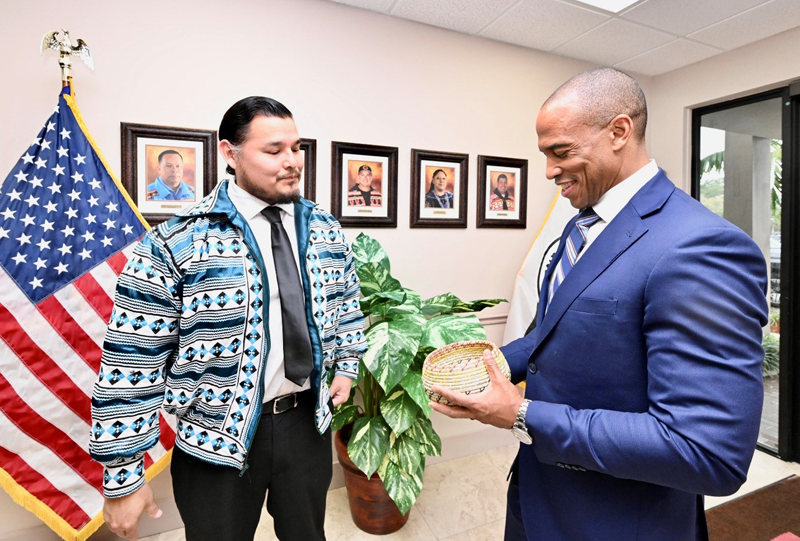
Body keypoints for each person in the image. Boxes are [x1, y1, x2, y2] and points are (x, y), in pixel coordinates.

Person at [431, 68, 768, 541]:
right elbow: (555, 332)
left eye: (560, 151)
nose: (548, 170)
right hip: (538, 495)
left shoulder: (702, 247)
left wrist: (522, 415)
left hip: (616, 521)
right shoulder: (582, 226)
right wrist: (492, 366)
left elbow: (706, 452)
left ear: (619, 131)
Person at [90, 96, 366, 541]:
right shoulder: (177, 241)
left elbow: (347, 302)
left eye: (297, 149)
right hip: (213, 439)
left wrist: (347, 366)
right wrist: (123, 477)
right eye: (274, 151)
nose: (292, 162)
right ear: (229, 153)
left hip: (305, 425)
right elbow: (131, 361)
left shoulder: (324, 229)